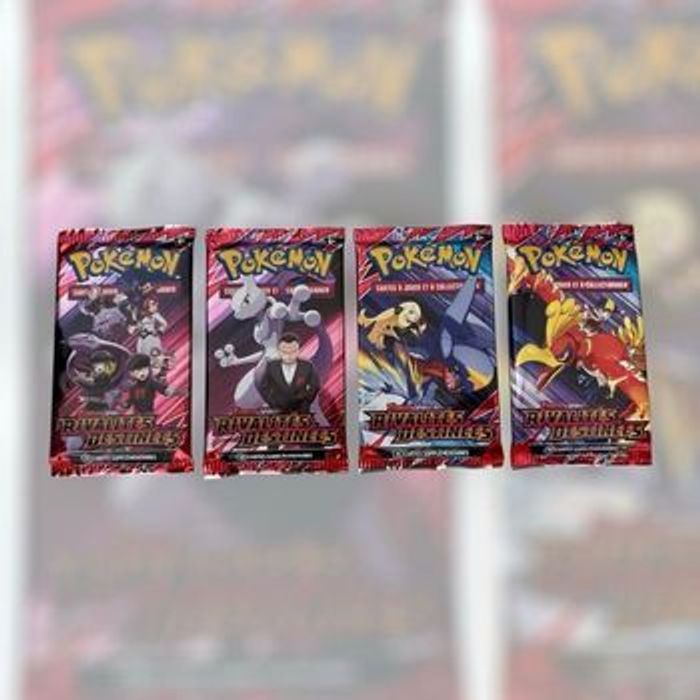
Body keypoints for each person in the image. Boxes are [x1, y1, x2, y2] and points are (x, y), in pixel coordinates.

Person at [258, 333, 319, 413]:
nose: (289, 355)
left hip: (302, 411)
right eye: (285, 351)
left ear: (298, 350)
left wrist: (306, 403)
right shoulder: (271, 366)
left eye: (293, 351)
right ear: (279, 351)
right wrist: (273, 403)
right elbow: (264, 386)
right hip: (278, 411)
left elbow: (315, 386)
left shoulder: (308, 366)